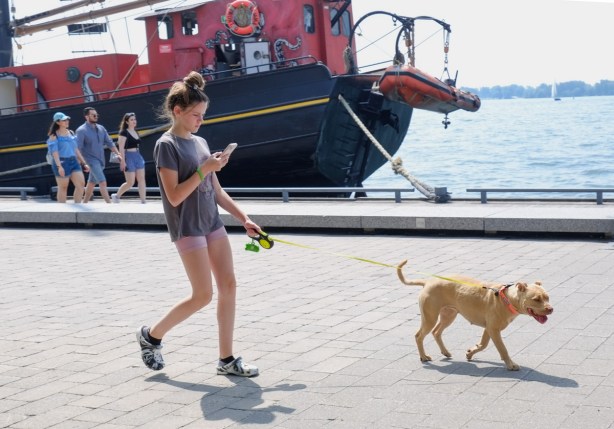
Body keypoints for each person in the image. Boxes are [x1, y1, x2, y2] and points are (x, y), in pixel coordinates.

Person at [136, 71, 259, 377]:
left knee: (229, 285)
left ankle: (226, 359)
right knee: (202, 295)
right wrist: (205, 169)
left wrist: (244, 218)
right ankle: (151, 336)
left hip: (212, 222)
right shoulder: (166, 146)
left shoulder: (201, 141)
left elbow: (216, 191)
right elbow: (175, 196)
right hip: (188, 226)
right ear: (177, 112)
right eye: (195, 115)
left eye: (203, 115)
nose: (200, 121)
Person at [76, 107, 122, 203]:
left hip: (101, 160)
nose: (96, 116)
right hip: (90, 161)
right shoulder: (81, 130)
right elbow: (78, 148)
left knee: (91, 182)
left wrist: (118, 154)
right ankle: (109, 204)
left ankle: (85, 202)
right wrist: (82, 163)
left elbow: (110, 143)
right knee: (102, 181)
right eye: (93, 115)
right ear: (86, 117)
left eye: (97, 115)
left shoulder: (101, 128)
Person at [46, 112, 90, 203]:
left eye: (67, 120)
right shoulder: (54, 135)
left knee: (81, 184)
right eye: (64, 120)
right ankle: (62, 211)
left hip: (73, 161)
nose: (67, 121)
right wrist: (59, 166)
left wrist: (84, 163)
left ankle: (77, 206)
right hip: (61, 162)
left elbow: (76, 149)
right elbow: (55, 152)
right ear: (58, 122)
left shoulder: (70, 132)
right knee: (63, 187)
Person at [111, 112, 146, 204]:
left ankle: (143, 201)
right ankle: (117, 196)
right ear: (127, 122)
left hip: (137, 155)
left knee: (141, 179)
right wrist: (122, 161)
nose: (134, 121)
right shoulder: (124, 132)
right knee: (130, 182)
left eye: (135, 119)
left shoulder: (135, 131)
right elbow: (121, 148)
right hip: (128, 156)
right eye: (131, 120)